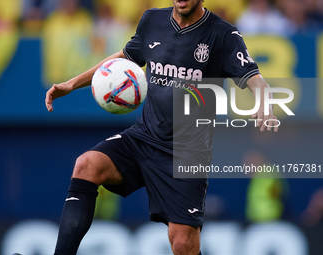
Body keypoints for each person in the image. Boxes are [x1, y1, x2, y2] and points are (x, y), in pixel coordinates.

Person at [45, 0, 278, 254]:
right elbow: (123, 59)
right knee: (87, 165)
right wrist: (71, 83)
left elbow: (255, 78)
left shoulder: (223, 33)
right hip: (143, 137)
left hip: (186, 154)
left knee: (182, 243)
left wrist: (264, 104)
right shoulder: (152, 21)